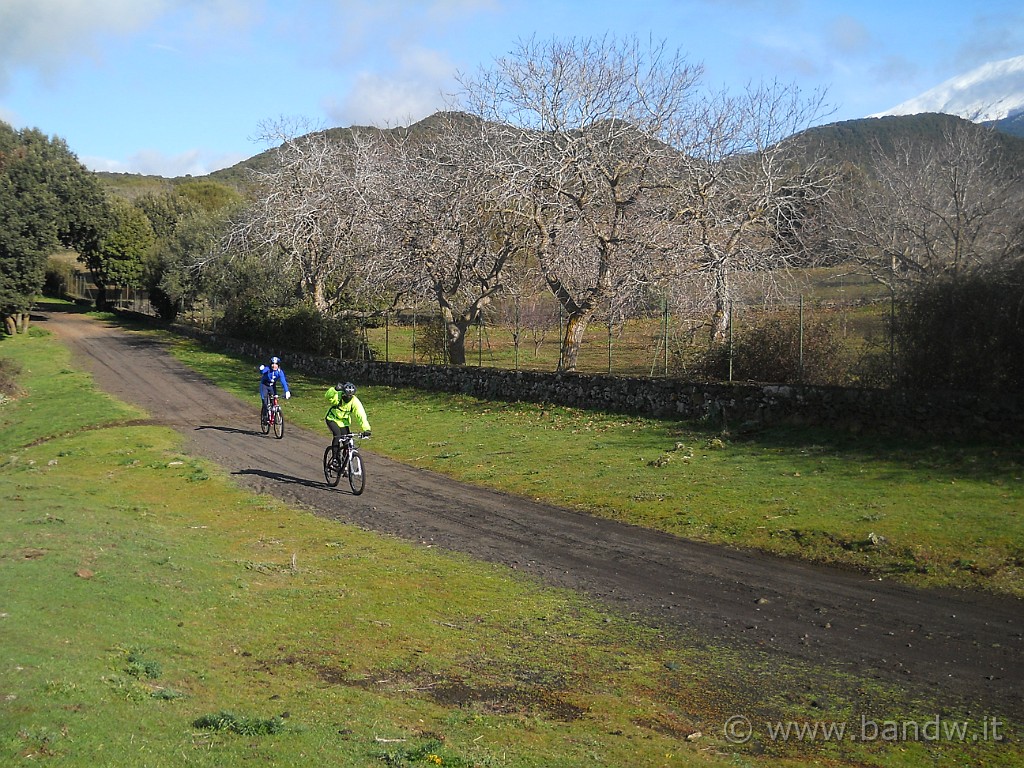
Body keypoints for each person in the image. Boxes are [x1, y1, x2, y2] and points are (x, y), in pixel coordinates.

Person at [324, 381, 371, 464]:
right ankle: (335, 459)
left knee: (347, 442)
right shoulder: (338, 396)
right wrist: (334, 389)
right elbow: (328, 396)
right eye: (346, 395)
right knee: (337, 435)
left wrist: (366, 429)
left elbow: (361, 415)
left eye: (350, 395)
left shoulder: (355, 401)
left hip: (344, 422)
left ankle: (345, 464)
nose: (348, 397)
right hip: (332, 419)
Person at [258, 356, 291, 421]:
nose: (274, 366)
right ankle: (265, 416)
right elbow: (262, 371)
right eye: (272, 364)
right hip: (264, 385)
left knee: (274, 400)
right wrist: (261, 369)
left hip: (272, 386)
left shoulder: (279, 372)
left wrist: (287, 391)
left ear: (278, 365)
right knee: (265, 402)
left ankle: (274, 415)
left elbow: (283, 381)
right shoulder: (268, 369)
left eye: (276, 364)